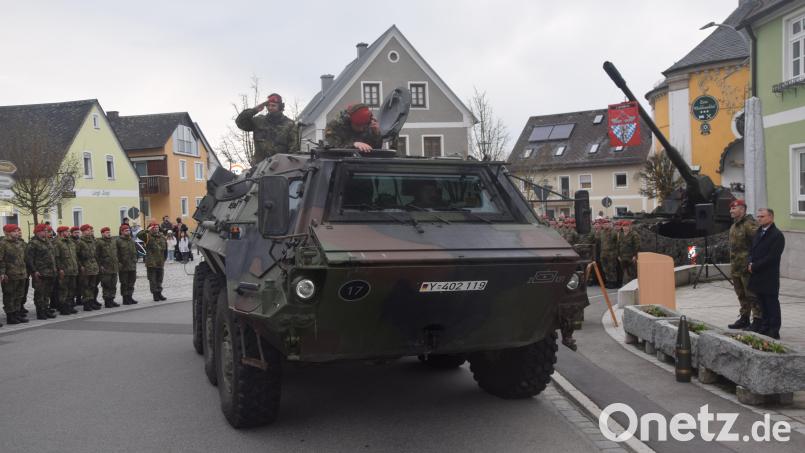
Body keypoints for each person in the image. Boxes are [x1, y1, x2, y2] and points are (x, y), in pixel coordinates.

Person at [748, 208, 785, 339]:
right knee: (762, 303)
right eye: (758, 216)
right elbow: (752, 250)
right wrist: (750, 262)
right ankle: (765, 326)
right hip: (757, 275)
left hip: (769, 275)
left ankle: (774, 329)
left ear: (771, 217)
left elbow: (772, 257)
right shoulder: (758, 232)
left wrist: (755, 266)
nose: (759, 219)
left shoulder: (777, 235)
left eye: (762, 216)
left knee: (771, 303)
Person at [236, 93, 299, 165]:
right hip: (258, 167)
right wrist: (254, 110)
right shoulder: (259, 121)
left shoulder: (289, 124)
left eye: (273, 105)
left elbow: (294, 149)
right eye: (268, 105)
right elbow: (240, 122)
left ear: (280, 107)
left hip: (280, 167)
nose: (270, 108)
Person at [727, 199, 761, 331]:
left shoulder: (749, 224)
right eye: (730, 208)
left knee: (752, 294)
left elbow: (758, 244)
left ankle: (758, 320)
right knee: (741, 294)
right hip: (736, 267)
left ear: (742, 209)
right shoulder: (734, 226)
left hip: (747, 268)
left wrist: (754, 262)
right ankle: (744, 318)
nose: (731, 211)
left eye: (733, 208)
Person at [26, 223, 58, 320]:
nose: (46, 232)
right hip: (40, 272)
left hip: (50, 272)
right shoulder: (33, 243)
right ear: (38, 232)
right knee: (40, 293)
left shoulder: (47, 241)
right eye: (44, 230)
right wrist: (34, 271)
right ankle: (40, 312)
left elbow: (52, 256)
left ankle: (45, 309)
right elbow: (29, 259)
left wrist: (54, 268)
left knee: (47, 293)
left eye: (47, 230)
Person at [0, 224, 29, 324]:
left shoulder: (19, 243)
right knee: (9, 295)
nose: (17, 233)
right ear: (8, 232)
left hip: (21, 273)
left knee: (19, 295)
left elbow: (23, 258)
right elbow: (1, 259)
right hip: (10, 274)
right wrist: (3, 273)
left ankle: (17, 313)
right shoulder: (3, 244)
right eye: (14, 231)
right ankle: (10, 316)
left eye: (17, 231)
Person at [54, 226, 79, 315]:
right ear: (61, 232)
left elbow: (74, 256)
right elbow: (56, 258)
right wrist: (60, 269)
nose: (68, 233)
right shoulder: (57, 243)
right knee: (63, 290)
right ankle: (63, 307)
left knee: (72, 289)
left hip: (72, 269)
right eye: (66, 231)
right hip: (64, 270)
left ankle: (70, 306)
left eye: (68, 231)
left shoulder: (70, 242)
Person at [139, 223, 167, 301]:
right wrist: (147, 230)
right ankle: (155, 294)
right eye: (154, 227)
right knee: (153, 279)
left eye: (157, 227)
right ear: (151, 229)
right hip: (151, 262)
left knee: (160, 279)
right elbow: (139, 235)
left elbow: (165, 249)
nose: (156, 228)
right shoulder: (148, 236)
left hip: (160, 262)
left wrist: (164, 259)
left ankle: (159, 293)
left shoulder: (162, 237)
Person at [77, 224, 101, 311]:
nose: (90, 231)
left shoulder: (92, 241)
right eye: (87, 230)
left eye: (90, 230)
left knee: (92, 286)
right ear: (83, 232)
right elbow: (77, 256)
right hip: (85, 267)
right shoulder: (80, 242)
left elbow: (96, 255)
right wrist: (81, 266)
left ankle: (91, 302)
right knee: (85, 286)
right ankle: (86, 304)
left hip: (93, 267)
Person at [96, 227, 120, 308]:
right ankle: (107, 301)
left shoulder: (113, 241)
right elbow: (97, 256)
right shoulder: (99, 243)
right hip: (105, 267)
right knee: (106, 285)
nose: (108, 234)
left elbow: (116, 253)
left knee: (113, 284)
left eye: (109, 232)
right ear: (102, 234)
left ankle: (112, 299)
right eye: (106, 232)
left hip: (114, 267)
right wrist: (100, 265)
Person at [116, 224, 139, 305]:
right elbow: (116, 253)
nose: (128, 232)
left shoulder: (131, 240)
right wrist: (119, 263)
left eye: (129, 230)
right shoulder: (118, 241)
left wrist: (135, 259)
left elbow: (135, 251)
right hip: (123, 265)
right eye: (126, 230)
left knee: (131, 282)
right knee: (124, 282)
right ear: (122, 232)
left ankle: (130, 296)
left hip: (132, 265)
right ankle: (125, 298)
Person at [617, 220, 640, 284]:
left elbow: (637, 246)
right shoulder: (620, 234)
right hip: (622, 256)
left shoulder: (634, 234)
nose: (625, 228)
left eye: (627, 226)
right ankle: (626, 284)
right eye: (624, 226)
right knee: (624, 271)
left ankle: (633, 285)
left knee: (632, 272)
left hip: (631, 256)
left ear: (629, 227)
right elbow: (618, 245)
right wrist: (618, 255)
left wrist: (635, 255)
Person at [599, 220, 619, 288]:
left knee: (612, 268)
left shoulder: (613, 232)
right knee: (605, 268)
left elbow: (617, 243)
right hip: (603, 253)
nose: (605, 225)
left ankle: (613, 282)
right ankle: (608, 281)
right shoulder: (602, 232)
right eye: (604, 224)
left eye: (607, 224)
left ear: (610, 224)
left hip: (611, 253)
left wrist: (616, 252)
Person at [70, 226, 83, 307]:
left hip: (80, 265)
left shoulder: (80, 241)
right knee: (73, 284)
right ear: (72, 233)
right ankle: (72, 300)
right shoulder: (70, 241)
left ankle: (79, 298)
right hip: (74, 265)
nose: (77, 234)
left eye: (78, 232)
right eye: (75, 232)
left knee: (80, 283)